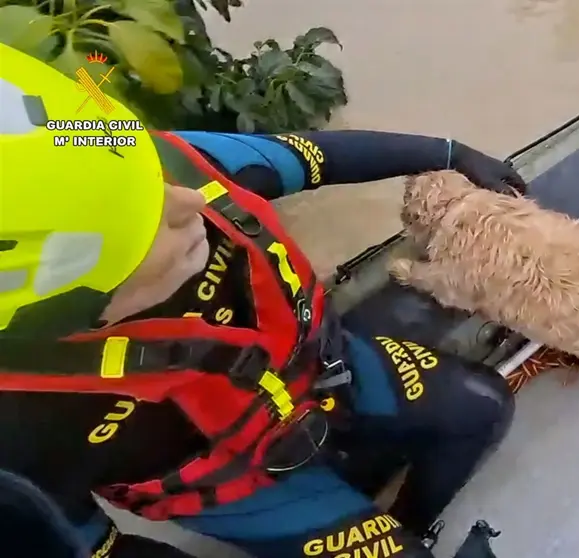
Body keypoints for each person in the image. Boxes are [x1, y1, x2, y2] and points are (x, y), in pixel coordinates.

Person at [0, 43, 521, 558]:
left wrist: (449, 153)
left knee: (482, 409)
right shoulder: (18, 428)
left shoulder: (153, 163)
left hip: (320, 366)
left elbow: (311, 156)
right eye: (137, 223)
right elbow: (95, 547)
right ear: (60, 308)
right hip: (242, 483)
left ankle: (406, 523)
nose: (187, 201)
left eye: (148, 179)